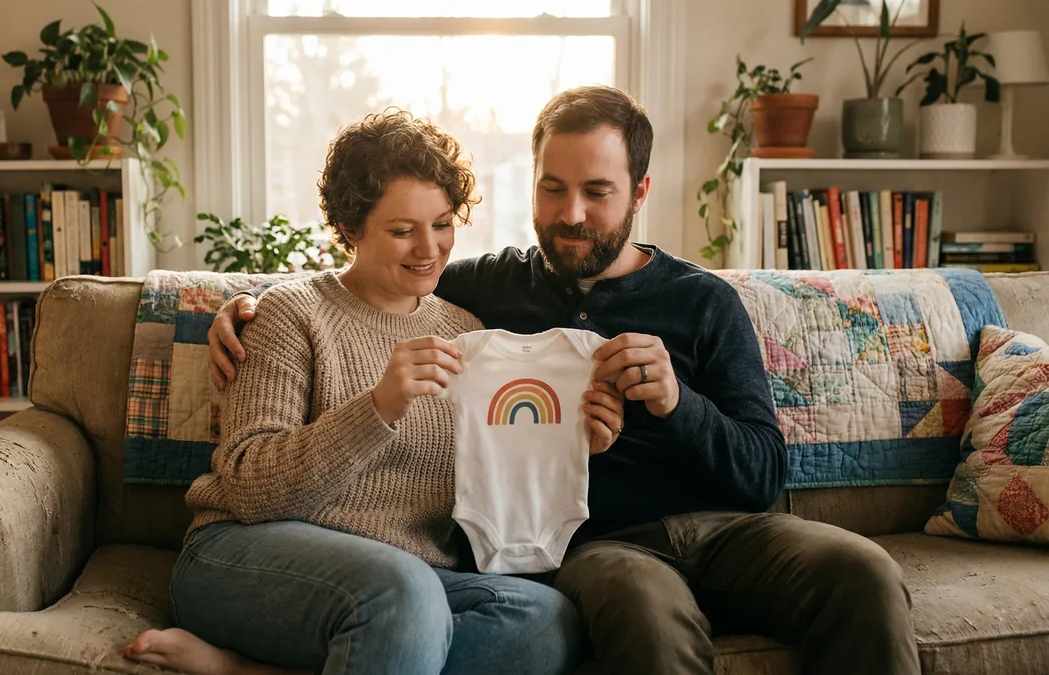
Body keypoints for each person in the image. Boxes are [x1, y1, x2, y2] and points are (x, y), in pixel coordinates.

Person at [207, 85, 921, 675]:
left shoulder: (704, 302)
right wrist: (241, 306)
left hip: (728, 532)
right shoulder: (482, 293)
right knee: (638, 607)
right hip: (599, 545)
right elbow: (372, 288)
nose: (570, 214)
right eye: (553, 189)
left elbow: (763, 474)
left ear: (640, 191)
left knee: (864, 570)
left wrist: (677, 405)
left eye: (596, 192)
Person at [124, 109, 625, 675]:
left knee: (544, 623)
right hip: (250, 554)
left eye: (442, 223)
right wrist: (378, 406)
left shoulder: (465, 332)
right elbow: (247, 487)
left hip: (412, 580)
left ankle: (256, 670)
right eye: (402, 230)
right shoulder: (293, 313)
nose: (429, 249)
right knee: (401, 594)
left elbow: (496, 474)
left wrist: (569, 442)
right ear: (350, 229)